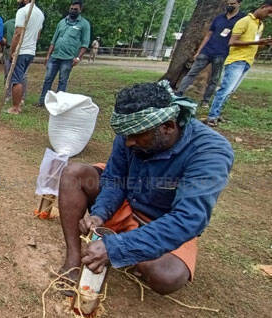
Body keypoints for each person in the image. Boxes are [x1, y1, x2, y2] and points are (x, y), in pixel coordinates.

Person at [57, 81, 233, 296]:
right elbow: (115, 179)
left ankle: (127, 246)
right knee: (72, 174)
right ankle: (74, 260)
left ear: (168, 126)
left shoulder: (210, 152)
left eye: (136, 136)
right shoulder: (133, 132)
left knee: (166, 276)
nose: (129, 143)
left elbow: (189, 219)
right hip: (128, 201)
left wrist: (117, 248)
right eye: (126, 136)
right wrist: (100, 213)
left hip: (161, 220)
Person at [206, 0, 272, 127]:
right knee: (225, 89)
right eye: (269, 11)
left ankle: (217, 114)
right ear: (263, 6)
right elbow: (231, 42)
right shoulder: (244, 21)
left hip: (248, 61)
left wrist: (264, 43)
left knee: (231, 90)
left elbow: (254, 44)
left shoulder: (260, 25)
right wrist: (257, 42)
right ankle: (212, 116)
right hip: (236, 60)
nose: (269, 16)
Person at [175, 0, 246, 108]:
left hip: (222, 53)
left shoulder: (242, 19)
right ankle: (178, 94)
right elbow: (208, 35)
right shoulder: (219, 18)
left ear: (239, 4)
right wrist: (199, 51)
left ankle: (205, 100)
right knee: (192, 73)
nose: (230, 6)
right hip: (207, 51)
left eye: (232, 3)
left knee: (214, 78)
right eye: (228, 3)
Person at [37, 0, 90, 107]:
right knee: (48, 79)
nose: (73, 11)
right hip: (55, 56)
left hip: (68, 58)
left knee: (63, 80)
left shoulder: (84, 24)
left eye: (75, 9)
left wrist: (78, 58)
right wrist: (48, 56)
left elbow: (85, 44)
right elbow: (53, 40)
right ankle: (42, 101)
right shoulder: (62, 22)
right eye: (71, 8)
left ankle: (59, 104)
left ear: (80, 10)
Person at [7, 0, 44, 114]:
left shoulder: (22, 11)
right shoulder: (40, 14)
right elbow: (38, 35)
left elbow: (17, 33)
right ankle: (19, 102)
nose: (18, 0)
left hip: (21, 51)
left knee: (16, 80)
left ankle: (16, 107)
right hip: (31, 51)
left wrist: (12, 51)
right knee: (21, 77)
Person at [2, 18, 27, 102]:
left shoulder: (28, 24)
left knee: (22, 76)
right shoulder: (9, 23)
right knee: (7, 74)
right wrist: (3, 39)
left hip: (22, 52)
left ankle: (21, 97)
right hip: (8, 51)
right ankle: (7, 95)